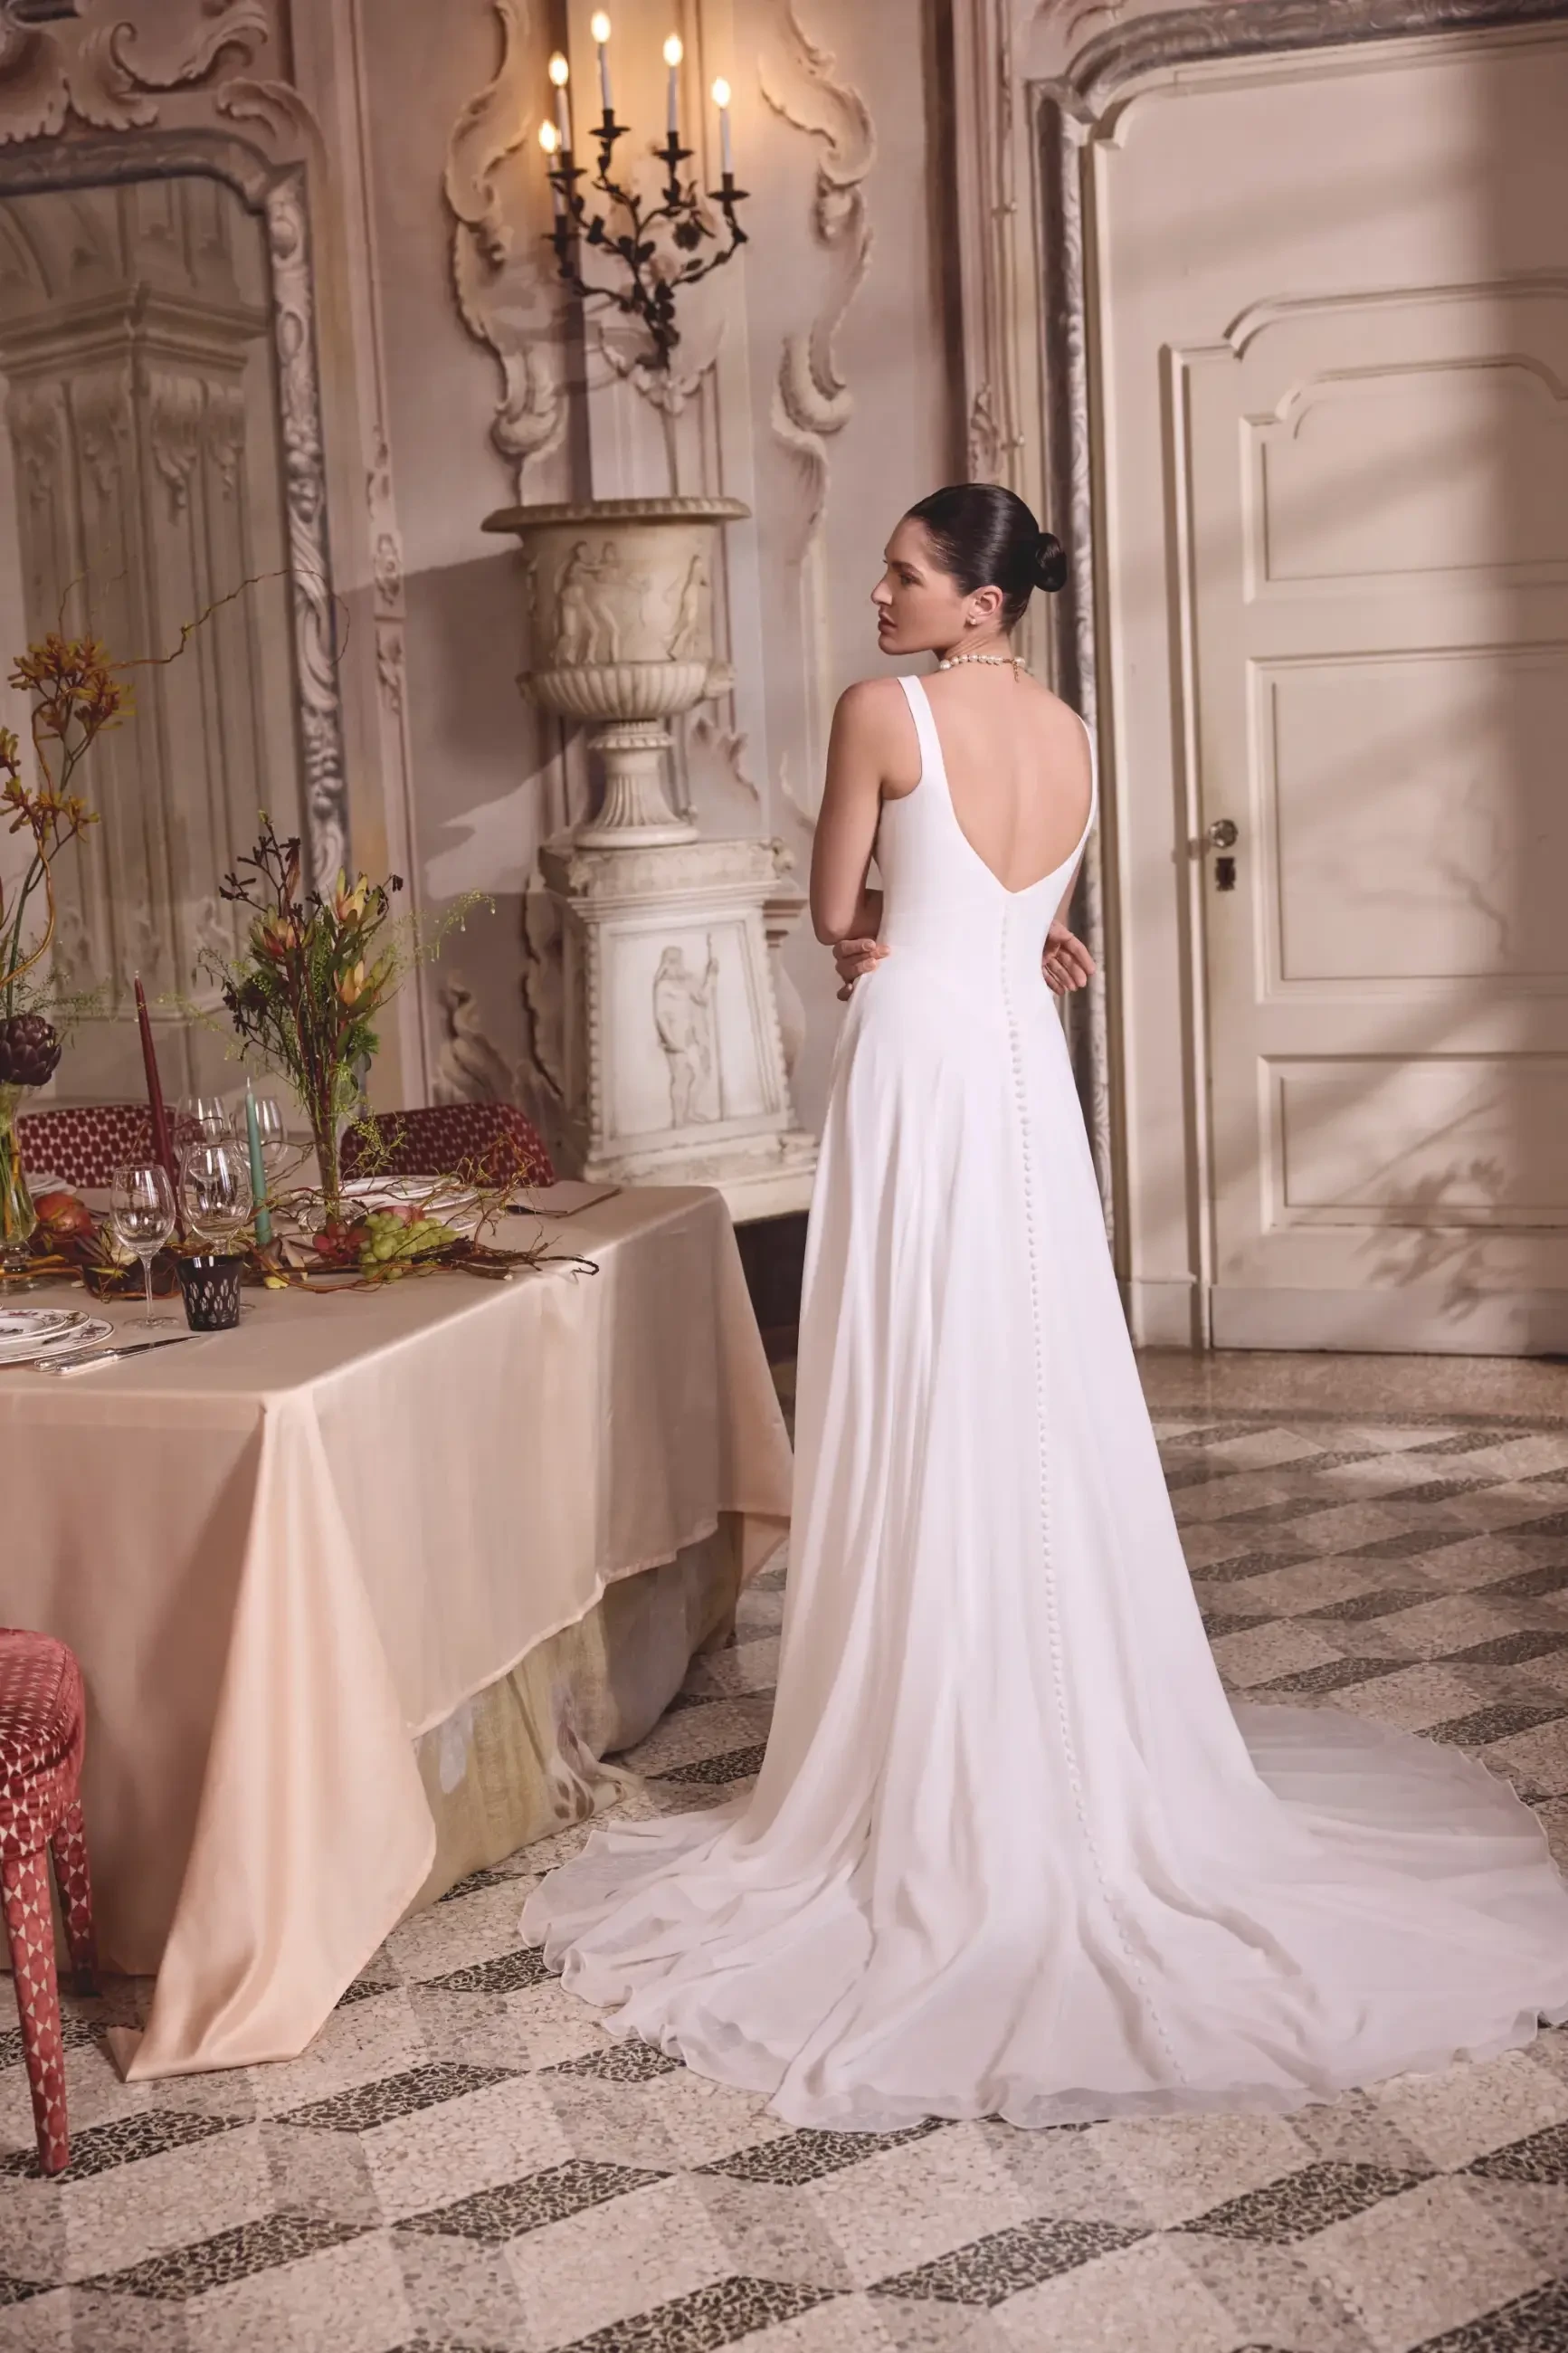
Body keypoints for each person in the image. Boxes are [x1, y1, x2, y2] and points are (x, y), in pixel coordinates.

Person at [523, 482, 1568, 2132]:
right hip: (1018, 1064)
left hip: (925, 1063)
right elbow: (1027, 905)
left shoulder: (885, 713)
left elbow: (835, 916)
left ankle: (937, 1738)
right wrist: (1030, 942)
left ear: (981, 605)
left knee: (920, 1384)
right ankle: (1052, 1711)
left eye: (907, 575)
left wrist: (888, 942)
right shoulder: (1076, 733)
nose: (880, 593)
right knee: (1031, 1378)